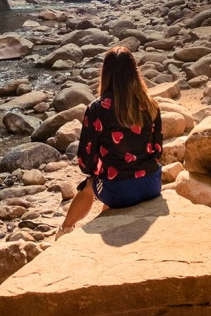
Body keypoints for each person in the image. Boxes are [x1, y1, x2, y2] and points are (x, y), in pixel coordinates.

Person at [56, 45, 163, 239]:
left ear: (106, 74)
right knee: (114, 182)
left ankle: (64, 230)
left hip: (120, 190)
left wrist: (101, 170)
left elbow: (86, 161)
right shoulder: (150, 104)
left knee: (90, 185)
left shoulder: (97, 108)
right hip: (151, 185)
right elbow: (157, 149)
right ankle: (109, 218)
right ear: (135, 72)